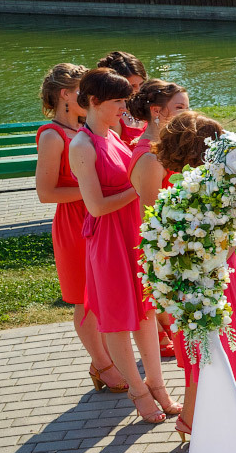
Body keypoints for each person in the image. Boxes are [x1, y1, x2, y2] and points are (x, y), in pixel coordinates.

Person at [67, 68, 182, 426]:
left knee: (146, 313)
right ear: (94, 101)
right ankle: (137, 389)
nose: (123, 107)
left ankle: (158, 386)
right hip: (108, 239)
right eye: (117, 101)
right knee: (118, 320)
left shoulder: (114, 135)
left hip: (133, 232)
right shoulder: (81, 145)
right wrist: (139, 185)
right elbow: (96, 206)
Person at [150, 112, 236, 449]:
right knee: (216, 357)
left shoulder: (176, 187)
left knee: (202, 357)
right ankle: (231, 446)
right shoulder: (203, 193)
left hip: (195, 285)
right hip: (212, 284)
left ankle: (192, 419)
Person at [35, 63, 124, 396]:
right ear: (65, 95)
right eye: (80, 90)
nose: (88, 96)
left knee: (104, 292)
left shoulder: (92, 129)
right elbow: (46, 193)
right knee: (85, 298)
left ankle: (102, 360)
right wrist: (94, 191)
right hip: (75, 222)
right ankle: (102, 364)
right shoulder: (52, 135)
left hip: (103, 218)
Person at [128, 79, 190, 359]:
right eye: (179, 107)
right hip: (171, 253)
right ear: (156, 110)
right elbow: (151, 219)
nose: (187, 113)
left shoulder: (163, 146)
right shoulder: (150, 158)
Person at [96, 52, 147, 144]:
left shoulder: (147, 102)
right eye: (132, 86)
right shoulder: (113, 114)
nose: (138, 90)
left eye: (141, 84)